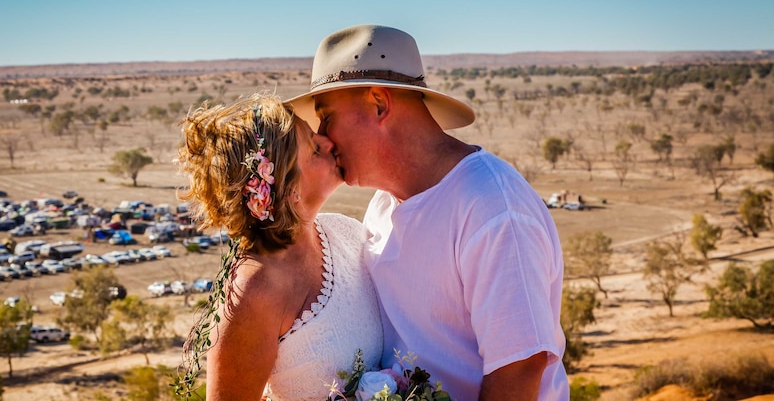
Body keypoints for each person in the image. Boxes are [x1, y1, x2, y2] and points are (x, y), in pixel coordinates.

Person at [287, 24, 569, 400]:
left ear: (379, 103)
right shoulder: (383, 205)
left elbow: (518, 370)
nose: (322, 136)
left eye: (326, 116)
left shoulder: (493, 209)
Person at [176, 93, 383, 401]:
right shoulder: (254, 290)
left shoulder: (347, 232)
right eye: (314, 148)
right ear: (289, 190)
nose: (328, 142)